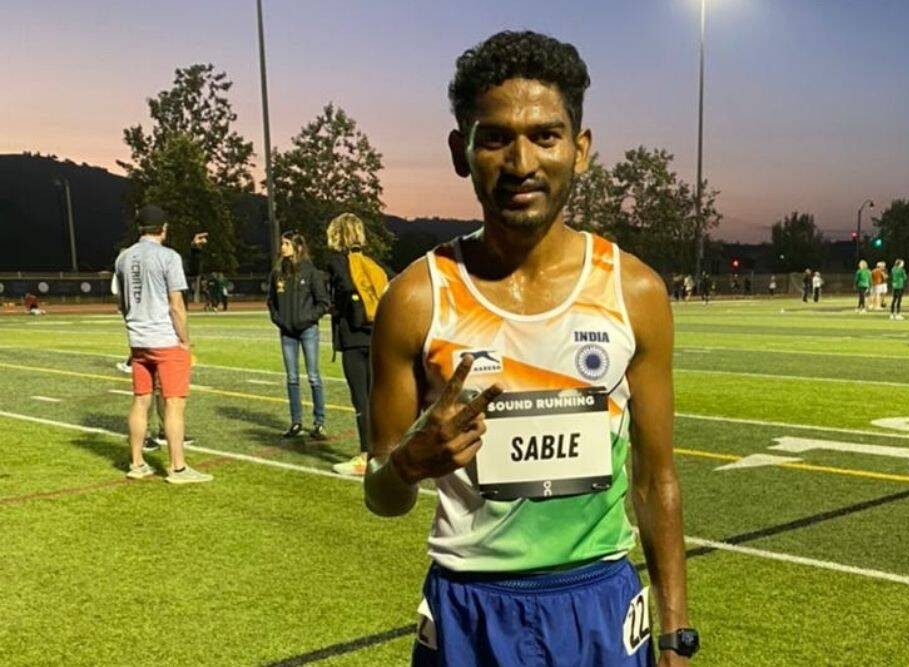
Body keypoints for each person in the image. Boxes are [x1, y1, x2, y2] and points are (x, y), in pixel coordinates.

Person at [364, 31, 694, 666]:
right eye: (495, 138)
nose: (521, 163)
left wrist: (676, 632)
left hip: (599, 603)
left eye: (545, 136)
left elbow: (656, 480)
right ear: (461, 152)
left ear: (580, 149)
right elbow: (382, 497)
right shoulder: (415, 299)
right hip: (470, 610)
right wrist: (407, 463)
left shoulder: (635, 291)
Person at [113, 205, 210, 484]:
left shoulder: (123, 258)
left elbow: (122, 301)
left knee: (140, 400)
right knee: (174, 404)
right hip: (165, 340)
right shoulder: (169, 257)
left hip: (138, 340)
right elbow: (176, 304)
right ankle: (178, 468)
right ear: (163, 228)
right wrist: (185, 340)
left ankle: (137, 463)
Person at [325, 213, 390, 476]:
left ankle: (365, 455)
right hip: (376, 335)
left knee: (361, 398)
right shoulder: (371, 262)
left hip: (353, 337)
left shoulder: (337, 262)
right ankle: (383, 451)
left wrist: (337, 307)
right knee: (378, 397)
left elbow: (343, 288)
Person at [267, 230, 331, 440]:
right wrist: (279, 320)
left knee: (313, 377)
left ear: (298, 247)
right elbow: (271, 302)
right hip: (287, 333)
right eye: (282, 243)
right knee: (292, 378)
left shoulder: (311, 273)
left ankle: (319, 422)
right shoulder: (277, 273)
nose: (282, 247)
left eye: (286, 244)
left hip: (308, 331)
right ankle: (296, 422)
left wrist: (307, 319)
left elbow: (324, 303)